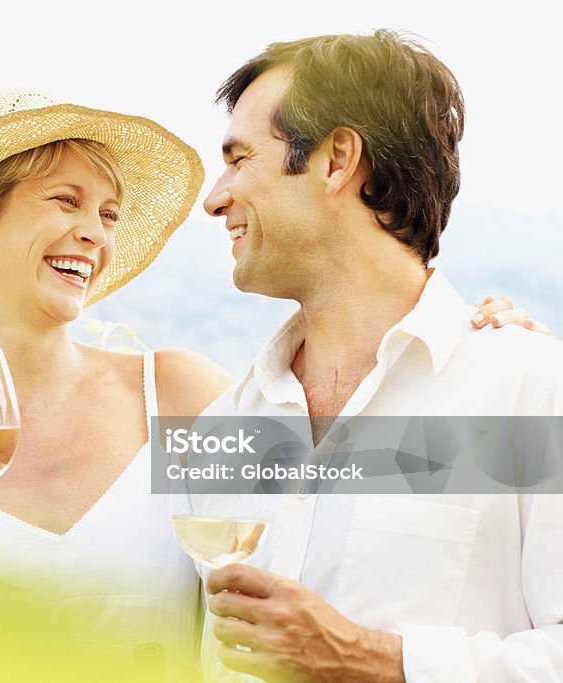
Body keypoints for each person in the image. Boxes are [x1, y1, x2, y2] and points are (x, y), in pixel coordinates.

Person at [0, 87, 537, 679]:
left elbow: (359, 472)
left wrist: (473, 349)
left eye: (108, 214)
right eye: (65, 200)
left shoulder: (174, 396)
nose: (93, 234)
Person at [196, 30, 563, 682]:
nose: (214, 197)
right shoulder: (221, 427)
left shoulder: (532, 390)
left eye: (240, 158)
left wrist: (375, 660)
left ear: (337, 159)